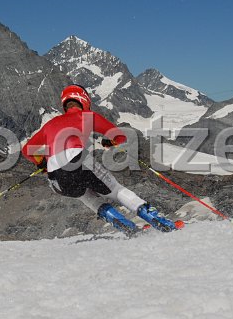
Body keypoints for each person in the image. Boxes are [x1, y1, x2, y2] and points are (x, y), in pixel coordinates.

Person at [22, 84, 158, 235]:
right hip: (78, 160)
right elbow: (120, 136)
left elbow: (26, 150)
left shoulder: (49, 125)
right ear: (84, 99)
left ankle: (126, 227)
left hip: (55, 178)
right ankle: (158, 220)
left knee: (85, 196)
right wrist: (109, 142)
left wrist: (41, 162)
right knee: (116, 190)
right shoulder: (87, 116)